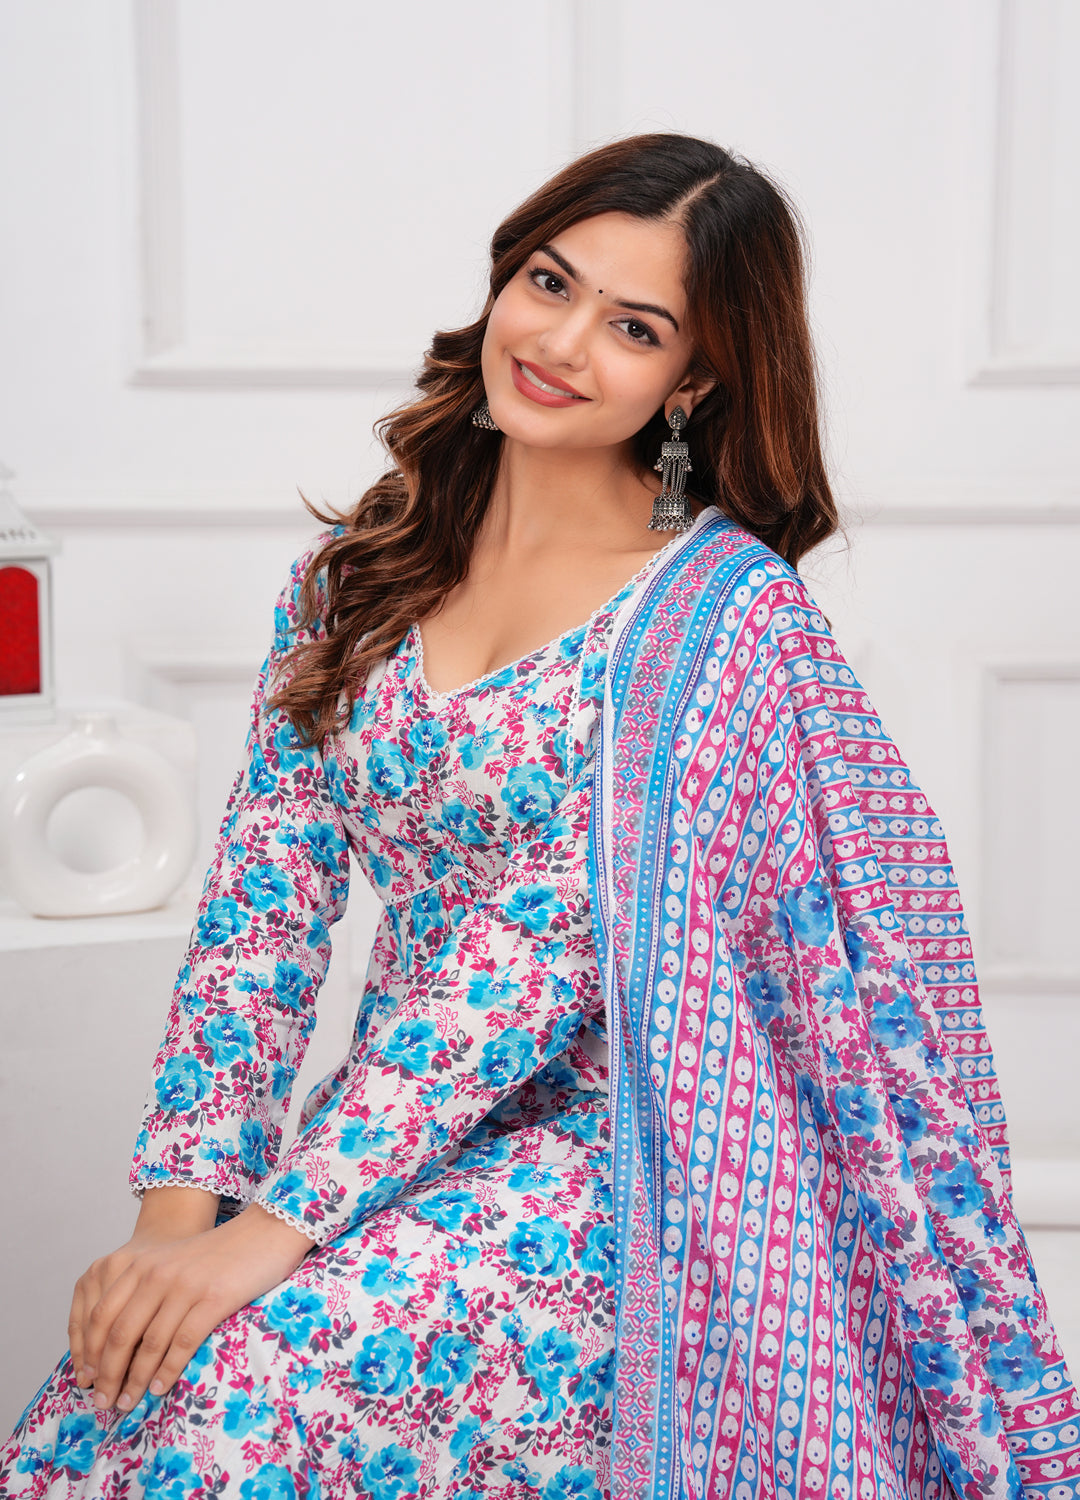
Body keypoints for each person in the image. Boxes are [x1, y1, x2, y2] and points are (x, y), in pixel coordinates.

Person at [1, 131, 1076, 1500]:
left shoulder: (715, 622)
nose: (562, 343)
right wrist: (175, 1225)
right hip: (390, 1132)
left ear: (693, 380)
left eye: (634, 327)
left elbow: (536, 960)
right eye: (551, 282)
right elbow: (259, 920)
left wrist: (271, 1232)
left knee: (242, 1390)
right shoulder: (356, 578)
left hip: (627, 1162)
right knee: (115, 1396)